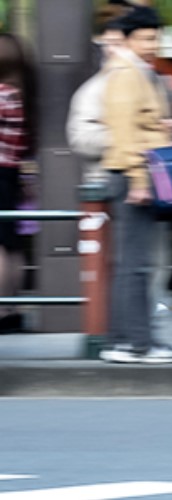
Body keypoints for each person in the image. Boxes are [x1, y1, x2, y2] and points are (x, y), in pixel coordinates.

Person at [97, 7, 172, 364]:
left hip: (137, 174)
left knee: (132, 263)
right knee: (136, 265)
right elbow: (123, 133)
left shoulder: (136, 71)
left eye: (155, 38)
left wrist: (162, 127)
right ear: (129, 39)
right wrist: (138, 179)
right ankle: (138, 343)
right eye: (146, 38)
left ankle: (124, 340)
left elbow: (136, 125)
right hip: (135, 176)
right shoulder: (126, 73)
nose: (152, 45)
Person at [0, 34, 31, 335]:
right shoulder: (18, 93)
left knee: (2, 244)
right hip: (9, 173)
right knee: (11, 243)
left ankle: (2, 310)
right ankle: (12, 308)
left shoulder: (3, 94)